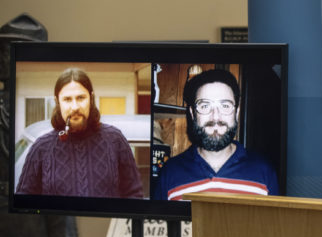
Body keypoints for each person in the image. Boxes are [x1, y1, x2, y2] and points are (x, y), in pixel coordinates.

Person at [0, 14, 78, 237]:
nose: (8, 58)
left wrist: (63, 231)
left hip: (38, 235)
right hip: (18, 235)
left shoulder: (54, 112)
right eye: (4, 51)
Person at [16, 68, 144, 198]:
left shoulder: (115, 140)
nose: (75, 107)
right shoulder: (41, 148)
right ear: (57, 102)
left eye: (81, 98)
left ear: (91, 98)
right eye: (67, 99)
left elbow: (134, 194)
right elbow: (23, 203)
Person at [155, 69, 279, 200]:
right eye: (204, 106)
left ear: (236, 113)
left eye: (225, 106)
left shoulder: (264, 171)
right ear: (192, 114)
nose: (215, 116)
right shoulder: (170, 172)